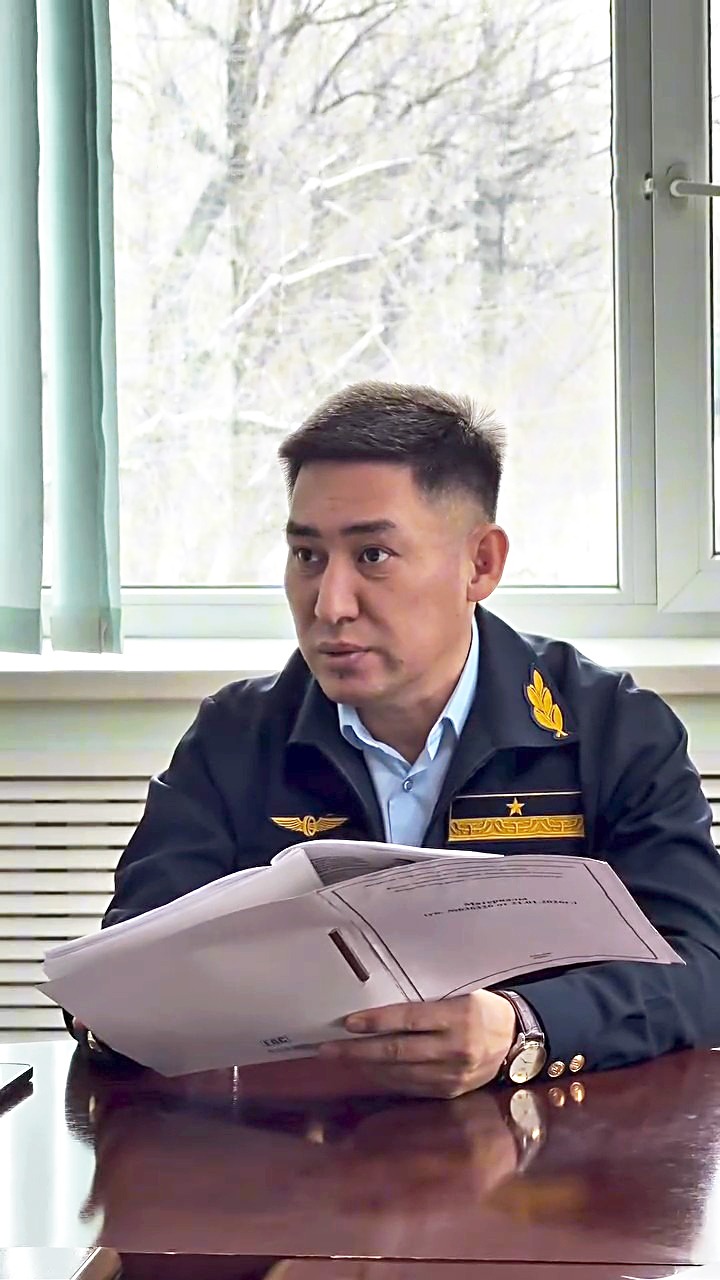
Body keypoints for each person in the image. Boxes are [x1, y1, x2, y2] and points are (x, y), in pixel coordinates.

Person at [69, 381, 720, 1096]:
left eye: (373, 555)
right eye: (307, 555)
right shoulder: (234, 736)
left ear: (481, 564)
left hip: (552, 1139)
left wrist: (524, 1026)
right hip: (297, 1138)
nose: (330, 604)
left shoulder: (614, 730)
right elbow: (124, 971)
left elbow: (702, 964)